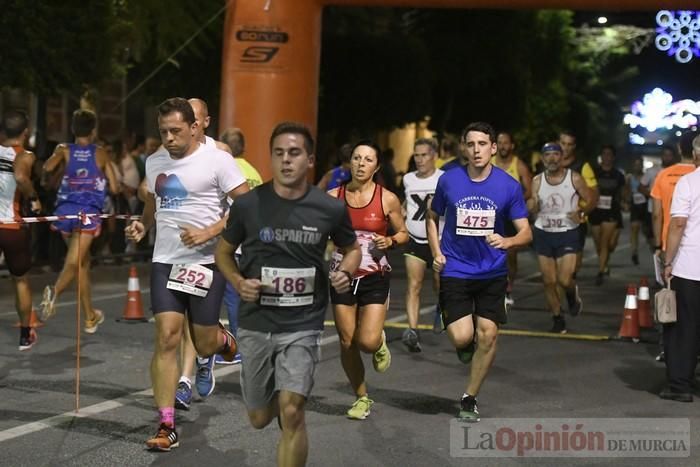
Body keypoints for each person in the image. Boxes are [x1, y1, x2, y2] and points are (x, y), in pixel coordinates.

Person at [215, 122, 361, 467]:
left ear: (309, 159)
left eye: (294, 152)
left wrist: (344, 272)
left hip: (303, 323)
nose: (285, 160)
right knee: (259, 418)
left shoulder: (329, 208)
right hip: (255, 323)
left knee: (293, 412)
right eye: (278, 153)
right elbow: (223, 253)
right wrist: (238, 283)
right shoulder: (248, 205)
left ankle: (290, 403)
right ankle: (277, 397)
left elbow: (351, 248)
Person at [124, 97, 249, 451]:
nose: (168, 138)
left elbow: (248, 206)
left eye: (175, 131)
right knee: (166, 337)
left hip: (207, 262)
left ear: (194, 127)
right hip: (166, 260)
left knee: (205, 341)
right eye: (163, 131)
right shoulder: (155, 161)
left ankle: (223, 341)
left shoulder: (218, 160)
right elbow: (152, 204)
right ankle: (166, 424)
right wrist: (141, 227)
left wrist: (210, 232)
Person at [426, 122, 531, 422]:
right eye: (470, 144)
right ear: (464, 148)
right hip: (456, 269)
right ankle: (463, 341)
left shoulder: (508, 186)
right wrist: (436, 252)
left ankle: (469, 397)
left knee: (489, 335)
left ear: (493, 148)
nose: (476, 150)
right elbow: (432, 216)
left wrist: (508, 240)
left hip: (492, 271)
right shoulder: (449, 180)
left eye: (482, 144)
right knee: (462, 339)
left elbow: (526, 232)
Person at [328, 140, 409, 419]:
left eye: (368, 160)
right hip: (341, 275)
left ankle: (378, 342)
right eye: (357, 158)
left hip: (375, 273)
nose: (361, 164)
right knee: (347, 340)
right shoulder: (332, 196)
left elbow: (404, 234)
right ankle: (361, 397)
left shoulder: (387, 198)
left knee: (366, 341)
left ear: (376, 167)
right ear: (350, 163)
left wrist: (390, 240)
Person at [172, 98, 235, 411]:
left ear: (205, 122)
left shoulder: (220, 153)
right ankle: (183, 382)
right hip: (179, 250)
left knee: (199, 326)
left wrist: (209, 232)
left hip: (213, 251)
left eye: (194, 120)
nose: (189, 126)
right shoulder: (172, 153)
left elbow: (239, 207)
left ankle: (212, 346)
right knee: (183, 314)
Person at [39, 109, 119, 333]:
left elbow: (46, 167)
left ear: (73, 129)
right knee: (74, 262)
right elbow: (114, 186)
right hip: (88, 213)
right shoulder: (101, 153)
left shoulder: (64, 149)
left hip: (65, 211)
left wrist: (65, 168)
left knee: (83, 264)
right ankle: (54, 293)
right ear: (93, 130)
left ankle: (90, 317)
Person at [528, 143, 595, 334]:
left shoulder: (574, 178)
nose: (551, 158)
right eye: (547, 155)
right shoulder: (537, 180)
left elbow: (591, 199)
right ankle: (557, 318)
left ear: (562, 157)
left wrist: (581, 212)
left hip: (568, 233)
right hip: (544, 233)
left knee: (564, 279)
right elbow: (531, 203)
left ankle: (572, 295)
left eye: (555, 154)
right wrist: (531, 205)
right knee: (549, 281)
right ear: (542, 159)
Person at [214, 126, 263, 366]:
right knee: (241, 296)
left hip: (230, 240)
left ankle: (234, 345)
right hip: (251, 240)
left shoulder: (226, 167)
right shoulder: (253, 171)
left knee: (227, 295)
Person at [659, 134, 700, 402]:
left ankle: (680, 385)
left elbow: (677, 225)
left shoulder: (688, 183)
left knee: (684, 327)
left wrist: (668, 261)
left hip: (690, 266)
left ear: (696, 155)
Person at [0, 110, 41, 350]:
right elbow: (22, 178)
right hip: (11, 226)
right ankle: (26, 334)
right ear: (25, 132)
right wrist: (34, 198)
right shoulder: (24, 155)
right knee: (21, 281)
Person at [401, 137, 443, 352]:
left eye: (423, 155)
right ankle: (413, 331)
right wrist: (401, 212)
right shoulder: (408, 179)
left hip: (439, 241)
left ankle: (441, 307)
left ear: (434, 155)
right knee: (413, 285)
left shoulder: (444, 179)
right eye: (416, 155)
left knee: (439, 284)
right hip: (414, 239)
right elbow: (405, 202)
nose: (419, 159)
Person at [492, 131, 532, 308]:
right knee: (489, 252)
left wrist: (514, 203)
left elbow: (530, 190)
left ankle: (508, 288)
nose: (503, 146)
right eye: (500, 143)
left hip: (509, 217)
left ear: (512, 146)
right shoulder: (489, 163)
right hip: (490, 215)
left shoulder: (519, 165)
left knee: (510, 255)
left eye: (506, 143)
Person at [560, 131, 598, 278]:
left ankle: (569, 292)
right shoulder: (548, 165)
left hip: (575, 223)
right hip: (551, 223)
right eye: (563, 144)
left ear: (574, 147)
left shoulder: (583, 167)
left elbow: (594, 196)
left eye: (569, 145)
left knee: (571, 269)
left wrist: (582, 212)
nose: (565, 148)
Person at [589, 145, 626, 286]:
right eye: (604, 154)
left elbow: (623, 191)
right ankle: (604, 264)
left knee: (606, 243)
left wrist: (624, 201)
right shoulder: (594, 172)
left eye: (609, 154)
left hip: (612, 211)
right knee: (599, 244)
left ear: (613, 157)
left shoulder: (618, 175)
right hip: (596, 211)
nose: (606, 157)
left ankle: (600, 271)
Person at [627, 158, 652, 265]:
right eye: (635, 164)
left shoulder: (646, 177)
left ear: (642, 166)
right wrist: (626, 201)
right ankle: (634, 252)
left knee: (647, 232)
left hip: (645, 205)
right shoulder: (629, 177)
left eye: (639, 164)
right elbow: (626, 190)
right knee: (634, 229)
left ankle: (654, 249)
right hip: (635, 206)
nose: (637, 167)